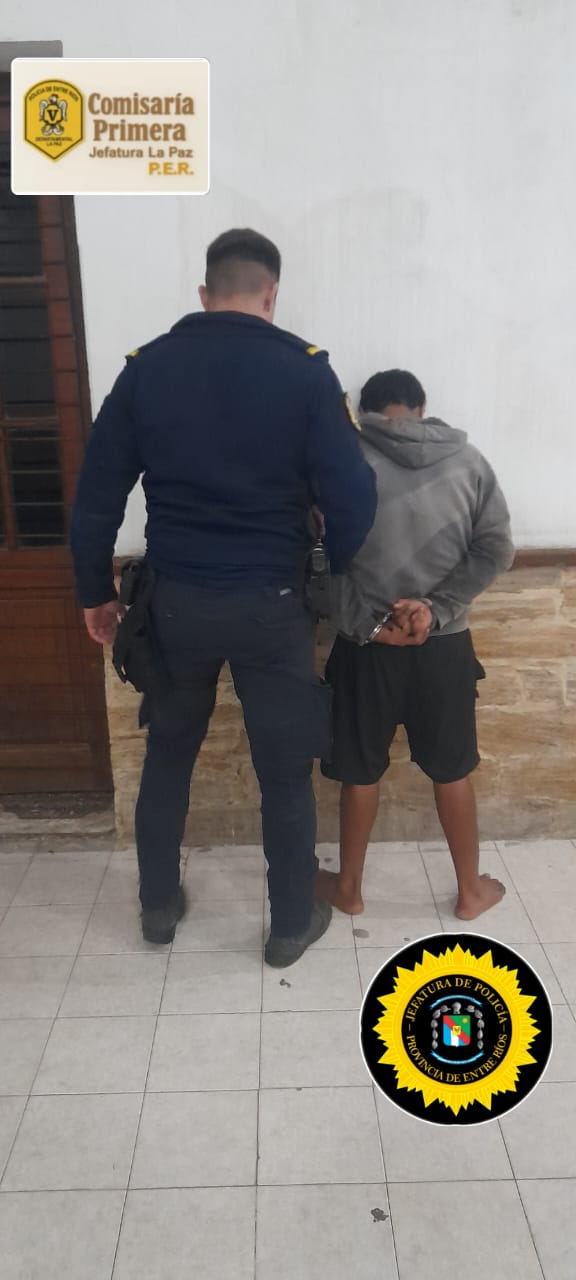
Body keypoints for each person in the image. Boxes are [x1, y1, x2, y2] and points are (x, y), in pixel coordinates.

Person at [70, 228, 377, 964]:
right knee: (284, 771)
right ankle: (289, 925)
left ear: (205, 294)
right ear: (271, 295)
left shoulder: (147, 369)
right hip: (273, 604)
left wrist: (93, 593)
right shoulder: (306, 374)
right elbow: (355, 498)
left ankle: (156, 908)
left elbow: (95, 498)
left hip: (175, 603)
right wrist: (330, 568)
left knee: (169, 754)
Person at [318, 368, 514, 920]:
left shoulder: (341, 464)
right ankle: (470, 891)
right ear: (422, 408)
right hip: (444, 645)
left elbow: (317, 559)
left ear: (366, 410)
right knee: (452, 768)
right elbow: (496, 549)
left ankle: (350, 890)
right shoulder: (469, 462)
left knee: (359, 771)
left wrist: (372, 626)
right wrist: (435, 608)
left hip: (365, 649)